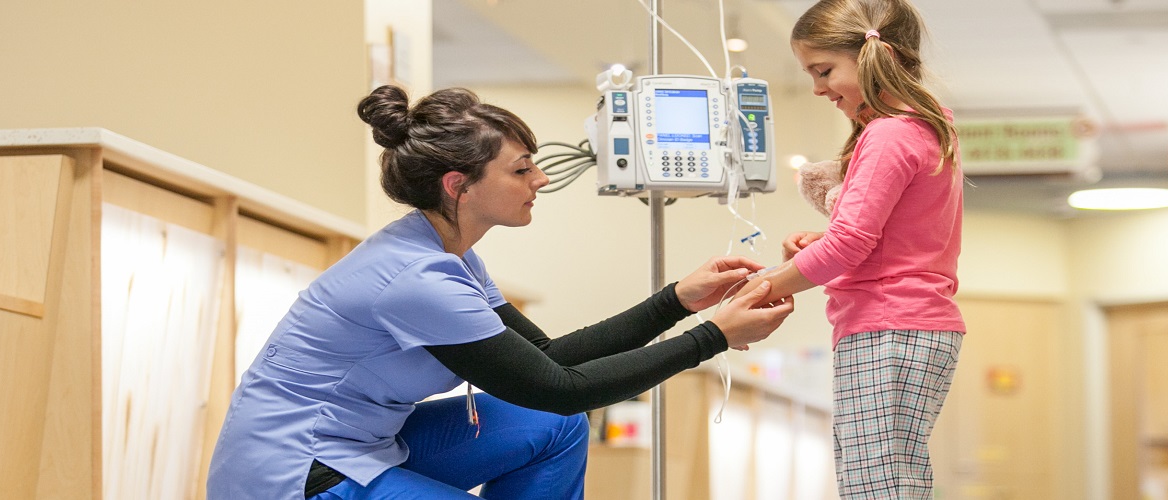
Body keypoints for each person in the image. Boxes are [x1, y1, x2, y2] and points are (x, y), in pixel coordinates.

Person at [207, 84, 795, 500]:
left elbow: (548, 362)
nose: (541, 181)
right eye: (520, 170)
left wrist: (676, 302)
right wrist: (712, 336)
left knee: (554, 427)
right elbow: (559, 387)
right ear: (458, 185)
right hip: (298, 473)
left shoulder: (449, 257)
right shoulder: (416, 278)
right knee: (559, 409)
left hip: (365, 444)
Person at [732, 0, 966, 498]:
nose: (817, 88)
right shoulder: (925, 126)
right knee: (885, 480)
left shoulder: (889, 134)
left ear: (871, 55)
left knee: (875, 485)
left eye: (824, 71)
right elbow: (897, 237)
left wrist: (756, 289)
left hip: (889, 324)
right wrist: (822, 243)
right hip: (908, 323)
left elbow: (850, 246)